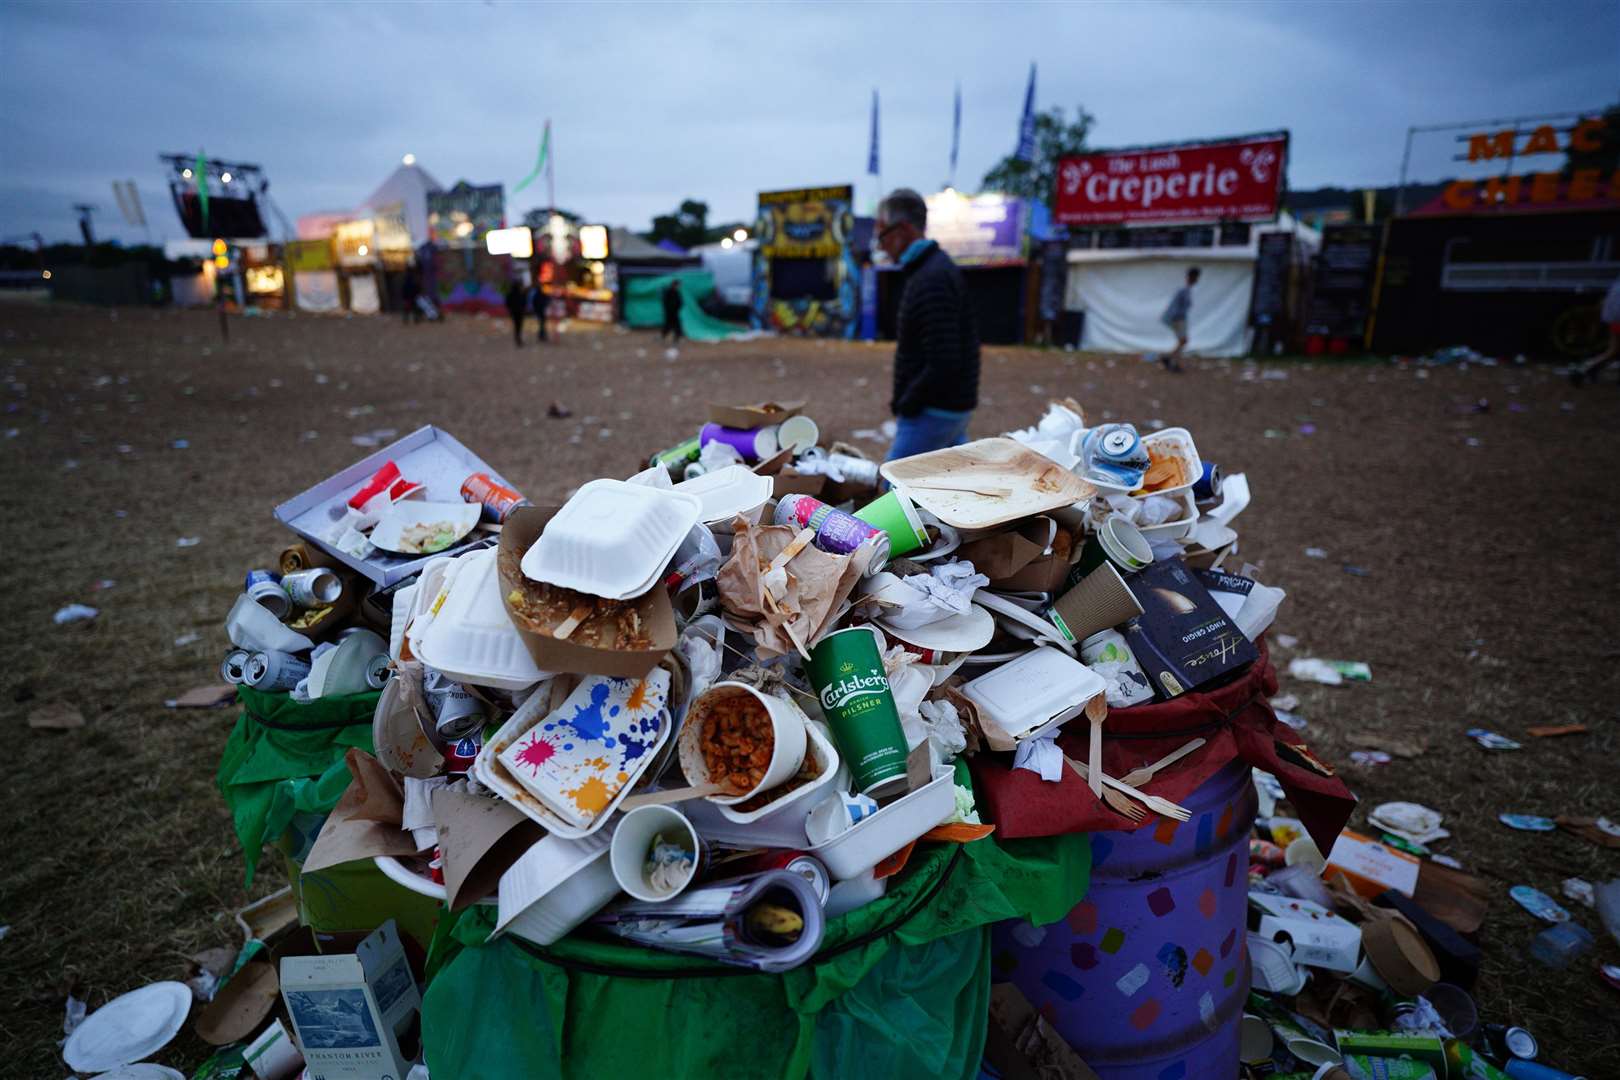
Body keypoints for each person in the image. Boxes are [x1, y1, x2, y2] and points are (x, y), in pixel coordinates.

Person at [875, 187, 980, 461]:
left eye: (883, 234)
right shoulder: (933, 269)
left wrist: (907, 402)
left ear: (905, 230)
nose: (880, 244)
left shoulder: (930, 278)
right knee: (953, 479)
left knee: (894, 488)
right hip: (950, 404)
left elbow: (944, 359)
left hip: (935, 409)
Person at [1571, 275, 1620, 385]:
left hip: (1613, 319)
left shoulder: (1617, 283)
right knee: (1613, 350)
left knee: (1613, 350)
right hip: (1616, 319)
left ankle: (1583, 370)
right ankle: (1582, 371)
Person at [1160, 266, 1200, 372]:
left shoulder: (1186, 290)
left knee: (1182, 341)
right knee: (1183, 341)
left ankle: (1169, 359)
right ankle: (1172, 361)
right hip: (1178, 319)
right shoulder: (1184, 290)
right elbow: (1175, 306)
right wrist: (1174, 318)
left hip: (1179, 318)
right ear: (1192, 277)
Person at [504, 278, 527, 347]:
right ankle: (518, 338)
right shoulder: (520, 294)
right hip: (519, 312)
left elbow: (507, 302)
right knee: (519, 326)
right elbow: (524, 302)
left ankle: (517, 338)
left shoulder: (511, 294)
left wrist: (510, 309)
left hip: (515, 312)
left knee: (517, 326)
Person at [661, 278, 683, 342]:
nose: (678, 287)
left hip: (675, 312)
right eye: (678, 285)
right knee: (669, 325)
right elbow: (666, 303)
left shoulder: (677, 292)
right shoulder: (668, 292)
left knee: (676, 325)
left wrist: (677, 307)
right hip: (670, 313)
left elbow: (680, 302)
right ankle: (664, 336)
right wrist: (670, 309)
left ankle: (676, 338)